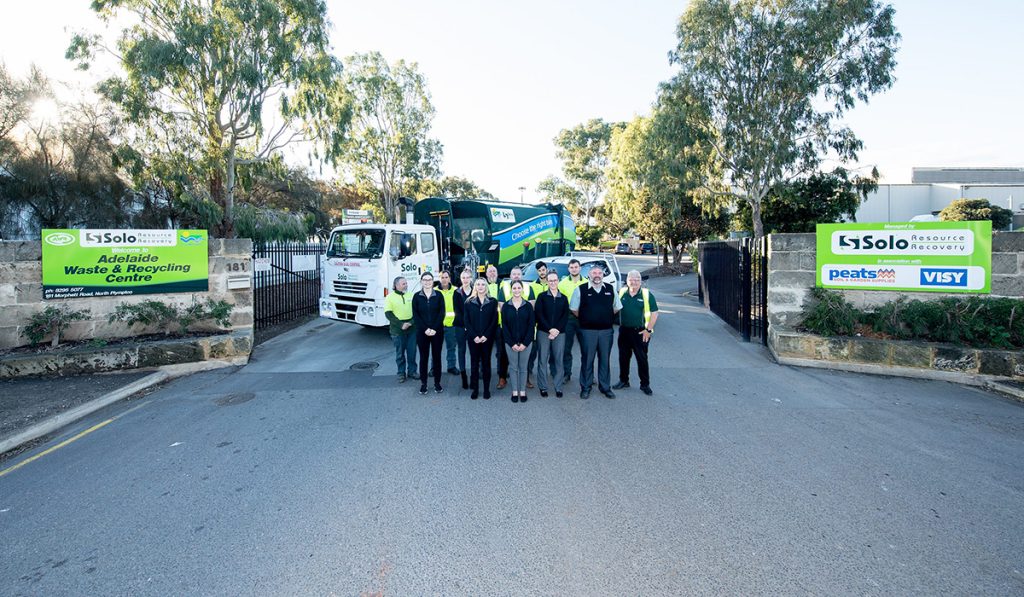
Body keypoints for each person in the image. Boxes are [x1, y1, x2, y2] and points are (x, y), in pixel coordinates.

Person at [570, 264, 621, 399]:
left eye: (599, 273)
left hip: (606, 332)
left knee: (604, 360)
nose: (597, 275)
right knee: (587, 360)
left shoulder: (610, 289)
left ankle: (605, 387)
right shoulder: (580, 290)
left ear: (603, 275)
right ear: (589, 275)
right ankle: (585, 387)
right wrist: (587, 317)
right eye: (594, 273)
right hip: (587, 332)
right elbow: (574, 309)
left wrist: (605, 317)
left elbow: (616, 307)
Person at [614, 270, 660, 396]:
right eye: (631, 279)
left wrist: (648, 330)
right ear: (627, 281)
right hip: (624, 331)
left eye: (636, 280)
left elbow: (654, 313)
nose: (633, 282)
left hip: (641, 332)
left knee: (642, 358)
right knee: (623, 358)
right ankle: (624, 380)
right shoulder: (622, 292)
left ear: (641, 281)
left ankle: (645, 384)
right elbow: (614, 308)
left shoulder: (646, 294)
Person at [497, 266, 535, 389]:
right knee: (503, 354)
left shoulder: (529, 287)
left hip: (524, 328)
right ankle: (502, 378)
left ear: (522, 275)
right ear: (511, 275)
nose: (516, 276)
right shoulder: (504, 288)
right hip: (508, 327)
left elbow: (532, 307)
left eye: (519, 274)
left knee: (527, 356)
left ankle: (526, 379)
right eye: (514, 274)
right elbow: (502, 308)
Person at [534, 270, 568, 397]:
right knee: (542, 360)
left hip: (560, 333)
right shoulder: (542, 297)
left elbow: (565, 316)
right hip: (544, 332)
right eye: (550, 280)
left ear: (558, 281)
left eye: (555, 280)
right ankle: (543, 387)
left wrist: (556, 330)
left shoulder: (563, 298)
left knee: (559, 360)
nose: (553, 282)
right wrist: (549, 329)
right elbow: (539, 314)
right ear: (547, 282)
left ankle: (558, 387)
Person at [464, 277, 497, 400]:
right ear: (475, 287)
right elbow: (466, 321)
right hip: (473, 339)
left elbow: (494, 320)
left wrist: (485, 336)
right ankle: (476, 390)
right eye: (478, 284)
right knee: (474, 364)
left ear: (486, 287)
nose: (481, 286)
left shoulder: (492, 302)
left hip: (486, 339)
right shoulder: (469, 302)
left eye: (483, 284)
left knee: (486, 363)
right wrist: (474, 336)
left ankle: (486, 389)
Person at [412, 271, 445, 395]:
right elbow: (416, 315)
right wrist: (425, 329)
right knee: (423, 358)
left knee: (437, 358)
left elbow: (442, 313)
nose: (427, 282)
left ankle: (437, 383)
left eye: (429, 279)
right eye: (425, 280)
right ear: (421, 281)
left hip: (437, 332)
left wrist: (434, 328)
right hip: (422, 332)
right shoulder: (416, 296)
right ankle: (424, 384)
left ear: (433, 281)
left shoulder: (439, 295)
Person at [558, 258, 587, 384]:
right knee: (566, 349)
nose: (574, 269)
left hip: (583, 319)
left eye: (576, 267)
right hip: (568, 319)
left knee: (586, 349)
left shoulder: (587, 282)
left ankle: (588, 374)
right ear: (568, 269)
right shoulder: (562, 283)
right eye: (571, 267)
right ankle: (566, 373)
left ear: (580, 268)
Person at [384, 276, 416, 382]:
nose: (406, 285)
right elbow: (388, 314)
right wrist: (401, 324)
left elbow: (417, 311)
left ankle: (412, 372)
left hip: (412, 330)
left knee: (412, 352)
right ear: (396, 285)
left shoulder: (411, 295)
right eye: (403, 284)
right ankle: (401, 373)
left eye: (406, 283)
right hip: (398, 330)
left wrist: (410, 322)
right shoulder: (389, 297)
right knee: (400, 354)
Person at [453, 268, 474, 389]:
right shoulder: (457, 293)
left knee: (473, 352)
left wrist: (470, 325)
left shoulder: (475, 292)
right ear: (461, 279)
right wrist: (465, 325)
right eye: (463, 278)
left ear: (471, 279)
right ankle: (463, 377)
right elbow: (457, 311)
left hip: (472, 327)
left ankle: (473, 376)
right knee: (461, 351)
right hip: (460, 326)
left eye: (467, 277)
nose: (465, 280)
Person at [437, 271, 461, 376]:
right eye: (442, 277)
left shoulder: (456, 290)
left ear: (449, 278)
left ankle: (451, 367)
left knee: (451, 347)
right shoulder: (434, 291)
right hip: (438, 325)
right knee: (436, 348)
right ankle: (435, 368)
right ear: (439, 279)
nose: (444, 279)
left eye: (446, 277)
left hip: (451, 325)